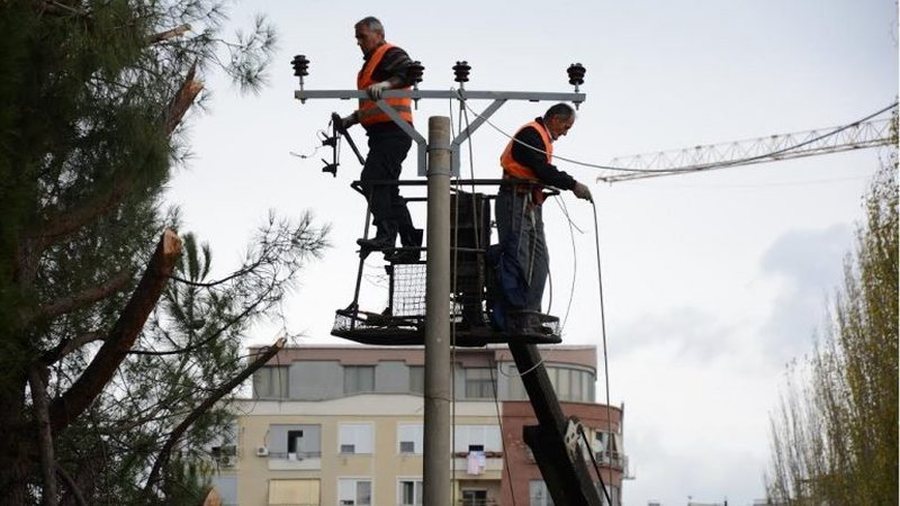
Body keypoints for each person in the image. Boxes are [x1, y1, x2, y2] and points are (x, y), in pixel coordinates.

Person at [494, 103, 592, 330]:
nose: (565, 132)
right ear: (556, 119)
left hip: (529, 203)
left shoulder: (541, 137)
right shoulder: (531, 134)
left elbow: (541, 170)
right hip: (514, 200)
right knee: (519, 257)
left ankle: (530, 313)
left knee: (539, 260)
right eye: (566, 127)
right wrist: (573, 184)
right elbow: (542, 169)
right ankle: (516, 314)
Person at [340, 16, 421, 263]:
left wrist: (386, 84)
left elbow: (408, 73)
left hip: (394, 132)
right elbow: (374, 103)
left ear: (378, 33)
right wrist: (352, 119)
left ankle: (386, 233)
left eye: (362, 36)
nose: (359, 42)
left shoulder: (390, 53)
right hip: (381, 134)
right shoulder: (369, 66)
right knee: (387, 188)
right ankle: (410, 244)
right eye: (357, 37)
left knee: (372, 180)